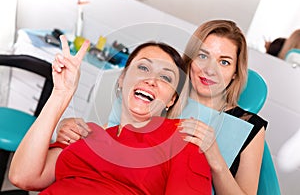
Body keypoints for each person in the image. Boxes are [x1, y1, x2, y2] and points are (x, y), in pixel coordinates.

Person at [56, 19, 268, 194]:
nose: (210, 69)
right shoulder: (157, 97)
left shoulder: (249, 126)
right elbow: (108, 139)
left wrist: (216, 159)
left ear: (235, 73)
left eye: (224, 62)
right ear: (190, 60)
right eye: (203, 56)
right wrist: (71, 130)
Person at [9, 36, 212, 194]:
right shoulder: (84, 134)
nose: (151, 80)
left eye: (166, 77)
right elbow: (22, 176)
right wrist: (61, 94)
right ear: (122, 79)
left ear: (171, 100)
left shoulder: (182, 141)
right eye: (143, 67)